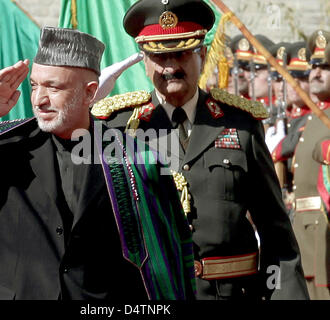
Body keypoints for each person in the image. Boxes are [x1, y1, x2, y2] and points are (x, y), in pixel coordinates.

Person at [0, 27, 195, 300]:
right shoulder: (3, 146)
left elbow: (168, 258)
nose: (39, 99)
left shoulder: (134, 159)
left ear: (89, 93)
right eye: (34, 85)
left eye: (53, 87)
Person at [93, 0, 309, 300]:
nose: (170, 67)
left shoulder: (241, 125)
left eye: (180, 53)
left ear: (202, 54)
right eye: (158, 56)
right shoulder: (120, 127)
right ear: (144, 61)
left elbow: (277, 236)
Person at [291, 30, 330, 300]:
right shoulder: (317, 116)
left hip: (324, 234)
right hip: (305, 232)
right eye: (314, 66)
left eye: (325, 67)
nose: (315, 73)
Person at [271, 41, 312, 215]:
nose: (295, 84)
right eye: (291, 76)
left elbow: (289, 146)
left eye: (303, 78)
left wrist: (276, 149)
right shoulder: (289, 118)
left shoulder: (313, 119)